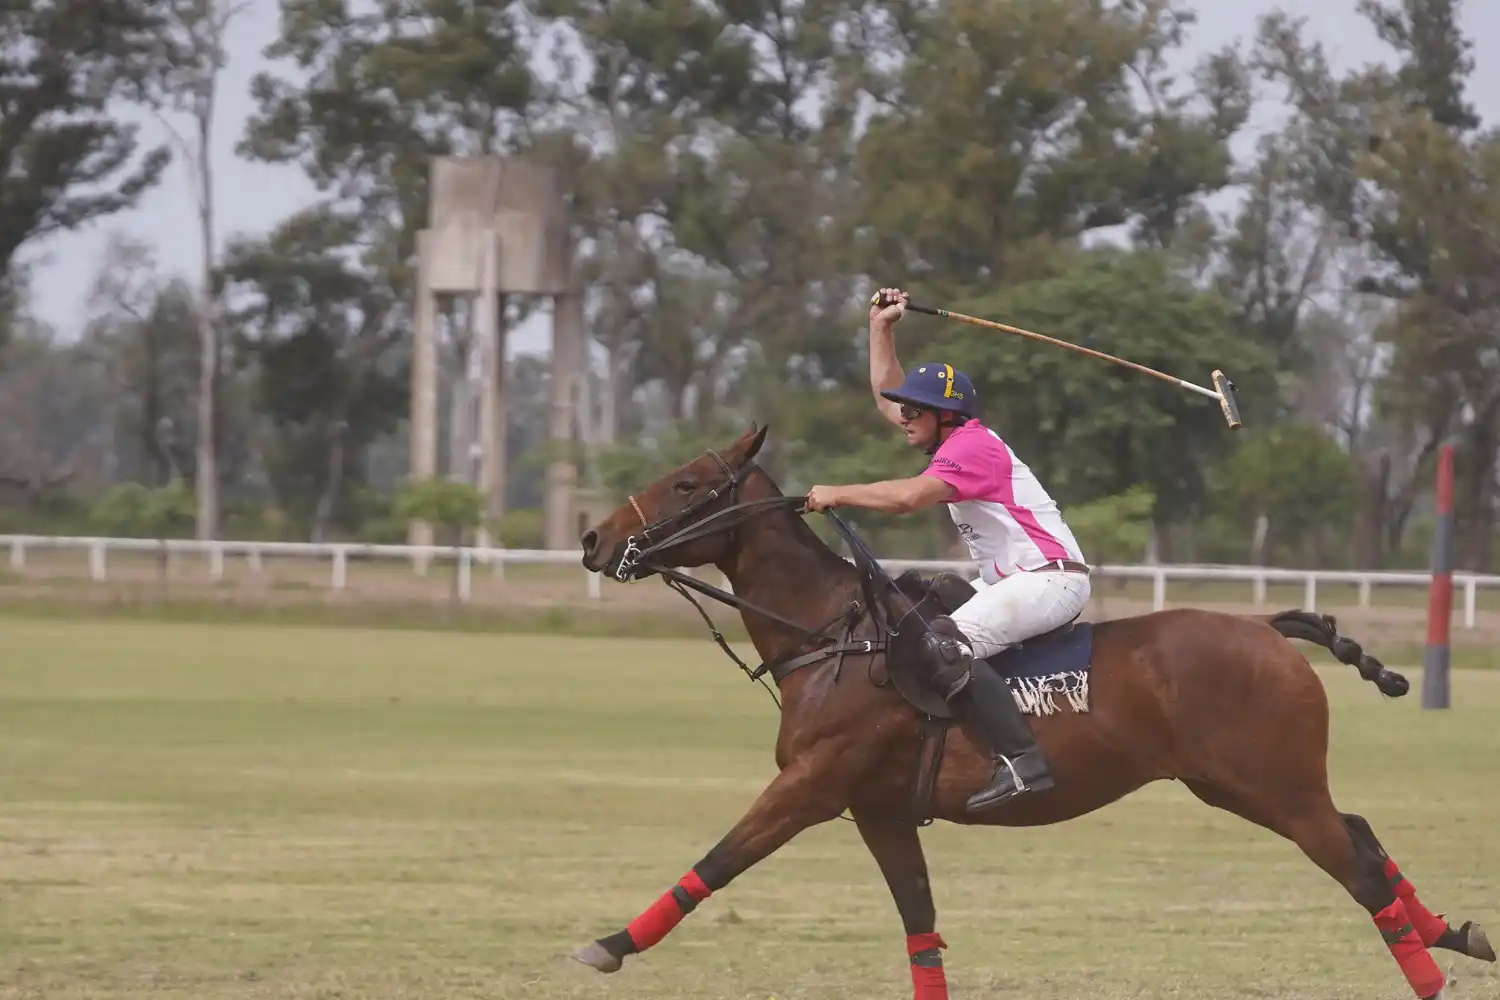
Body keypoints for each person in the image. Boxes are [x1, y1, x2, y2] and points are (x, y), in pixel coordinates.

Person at [804, 287, 1092, 812]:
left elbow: (910, 497)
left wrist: (837, 492)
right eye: (907, 408)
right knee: (913, 611)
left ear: (946, 415)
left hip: (1050, 579)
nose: (903, 416)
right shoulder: (949, 438)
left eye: (916, 410)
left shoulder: (973, 447)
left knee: (944, 645)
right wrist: (880, 329)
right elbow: (887, 393)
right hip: (1016, 579)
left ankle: (1024, 762)